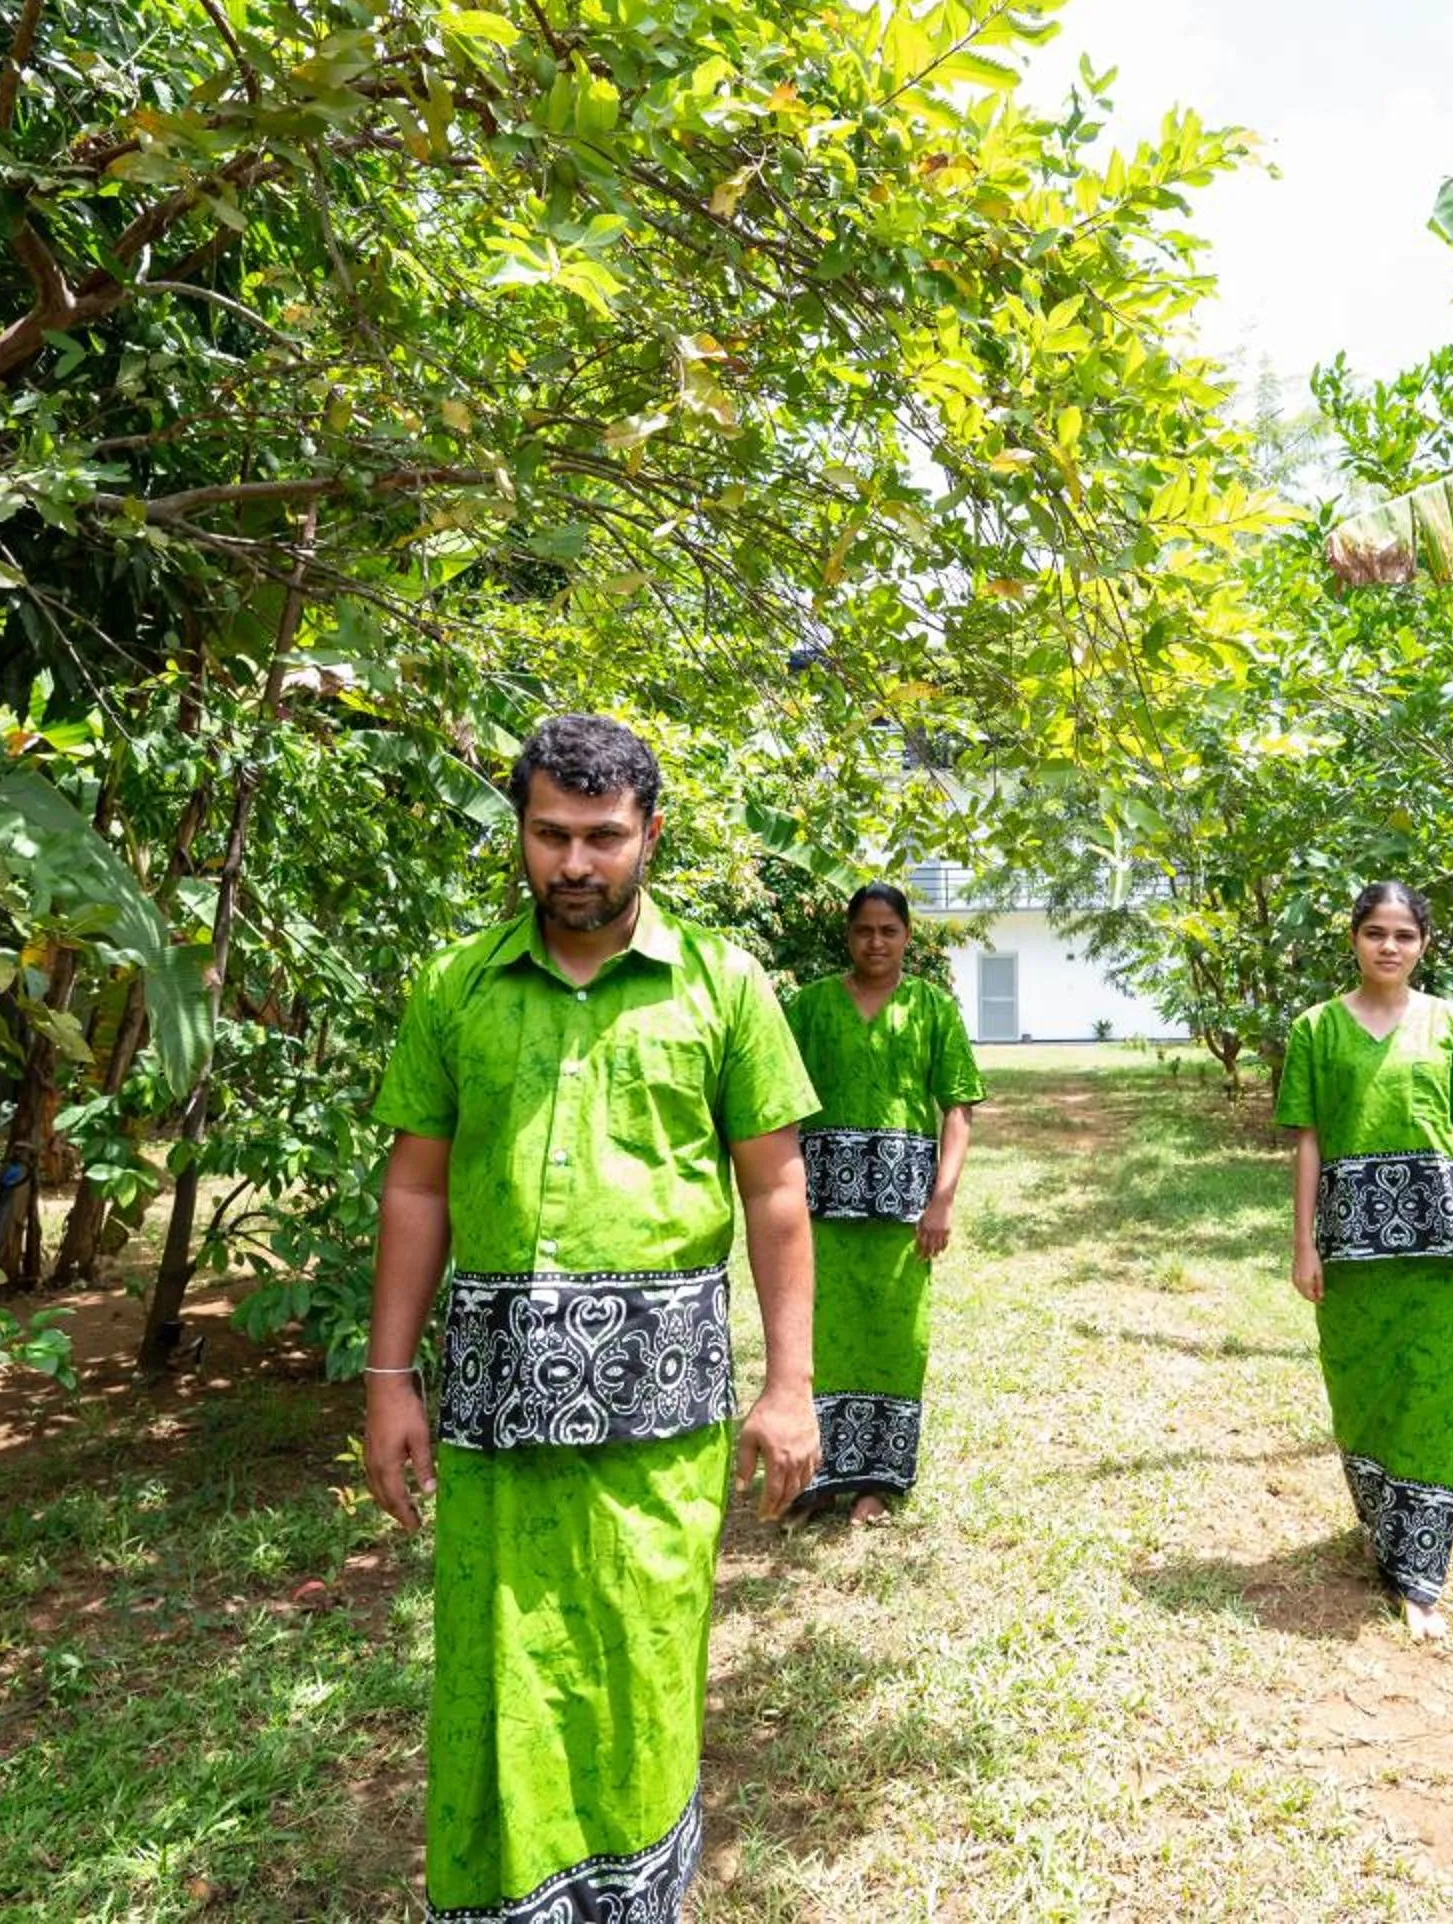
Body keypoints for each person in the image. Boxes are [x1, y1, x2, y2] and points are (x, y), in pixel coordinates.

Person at [359, 713, 822, 1924]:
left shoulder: (723, 985)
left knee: (639, 1677)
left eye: (603, 837)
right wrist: (389, 1376)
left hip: (658, 1432)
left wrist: (789, 1384)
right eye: (550, 833)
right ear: (518, 831)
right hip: (496, 1425)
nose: (575, 863)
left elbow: (774, 1188)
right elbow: (416, 1185)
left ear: (651, 834)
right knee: (499, 1671)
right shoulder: (457, 987)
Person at [1275, 881, 1453, 1643]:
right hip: (1349, 1248)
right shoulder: (1315, 1030)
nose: (1389, 947)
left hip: (1437, 1248)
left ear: (1423, 945)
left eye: (1404, 935)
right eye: (1375, 932)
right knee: (1360, 1386)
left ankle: (1420, 1575)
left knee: (1432, 1399)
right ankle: (1383, 1527)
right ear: (1353, 940)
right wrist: (1304, 1240)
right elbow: (1308, 1139)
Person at [781, 883, 985, 1523]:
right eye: (864, 930)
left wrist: (941, 1201)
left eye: (888, 931)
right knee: (821, 1338)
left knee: (896, 1340)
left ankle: (878, 1481)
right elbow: (778, 1106)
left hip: (904, 1213)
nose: (875, 942)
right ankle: (815, 1479)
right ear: (849, 935)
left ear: (906, 937)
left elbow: (958, 1109)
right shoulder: (811, 1007)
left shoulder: (932, 1009)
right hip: (822, 1211)